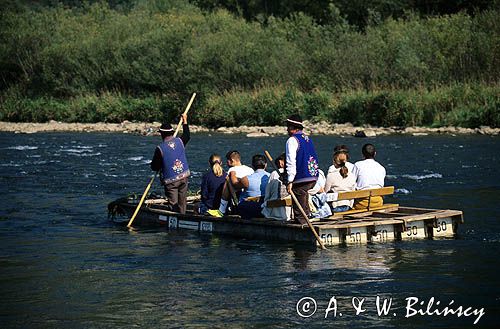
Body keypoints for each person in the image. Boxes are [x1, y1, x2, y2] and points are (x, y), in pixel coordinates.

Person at [150, 114, 190, 213]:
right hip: (184, 177)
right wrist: (185, 120)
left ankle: (176, 219)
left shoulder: (160, 148)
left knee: (174, 203)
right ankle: (183, 215)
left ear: (162, 134)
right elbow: (187, 135)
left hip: (171, 181)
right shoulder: (180, 141)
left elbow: (155, 167)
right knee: (182, 202)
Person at [285, 114, 320, 224]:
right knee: (303, 194)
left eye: (288, 127)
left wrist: (290, 180)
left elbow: (291, 161)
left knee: (297, 192)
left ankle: (302, 221)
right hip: (313, 175)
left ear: (292, 128)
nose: (287, 129)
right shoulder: (307, 139)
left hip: (302, 176)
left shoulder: (292, 140)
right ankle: (306, 216)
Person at [207, 150, 254, 217]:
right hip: (250, 197)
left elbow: (233, 185)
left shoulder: (232, 170)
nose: (226, 163)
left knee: (227, 182)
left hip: (238, 199)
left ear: (232, 160)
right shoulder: (250, 170)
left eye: (227, 161)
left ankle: (221, 210)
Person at [352, 143, 386, 209]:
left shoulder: (358, 165)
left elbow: (351, 182)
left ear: (362, 154)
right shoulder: (381, 168)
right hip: (378, 202)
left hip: (362, 203)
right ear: (375, 154)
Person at [236, 154, 270, 218]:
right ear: (265, 165)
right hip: (267, 207)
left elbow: (235, 185)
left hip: (251, 209)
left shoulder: (246, 179)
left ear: (252, 166)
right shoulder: (271, 176)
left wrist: (232, 175)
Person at [325, 146, 357, 212]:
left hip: (335, 207)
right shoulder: (352, 175)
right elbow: (353, 192)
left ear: (334, 161)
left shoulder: (331, 175)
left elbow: (325, 192)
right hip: (348, 206)